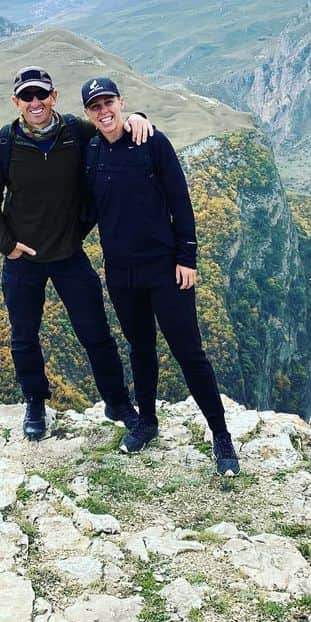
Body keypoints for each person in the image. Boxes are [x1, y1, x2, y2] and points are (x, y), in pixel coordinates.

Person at [0, 65, 152, 441]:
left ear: (54, 96)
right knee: (24, 336)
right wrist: (6, 245)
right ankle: (35, 403)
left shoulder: (76, 132)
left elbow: (111, 127)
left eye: (41, 94)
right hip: (22, 260)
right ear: (17, 102)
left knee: (96, 333)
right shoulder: (6, 143)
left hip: (69, 254)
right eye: (27, 96)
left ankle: (117, 402)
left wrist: (137, 116)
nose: (35, 102)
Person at [80, 76, 241, 476]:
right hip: (121, 273)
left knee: (189, 353)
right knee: (140, 349)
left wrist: (188, 257)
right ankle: (147, 422)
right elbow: (86, 211)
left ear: (121, 103)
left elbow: (180, 199)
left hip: (166, 269)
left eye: (109, 103)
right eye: (95, 107)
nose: (104, 112)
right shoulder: (92, 153)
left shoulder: (153, 142)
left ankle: (221, 437)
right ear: (88, 113)